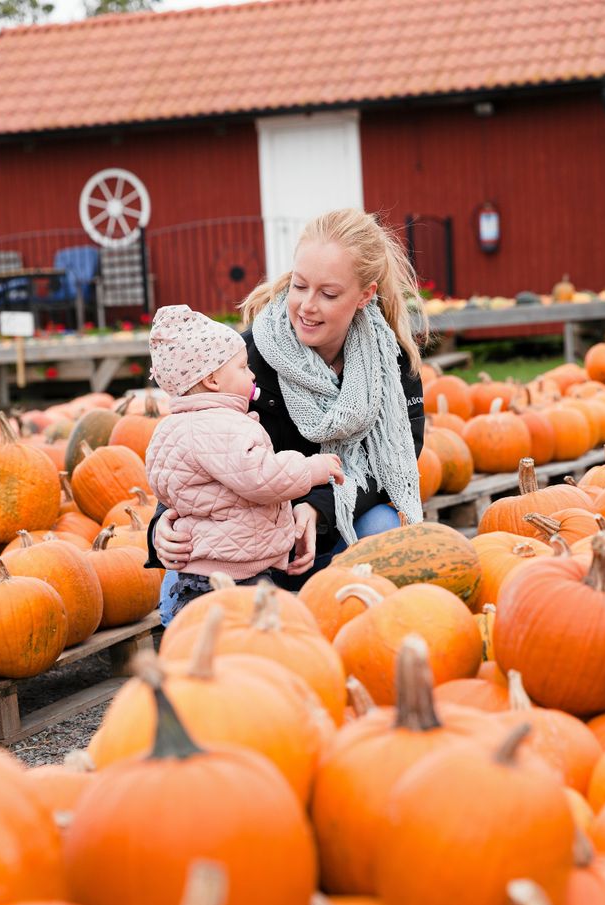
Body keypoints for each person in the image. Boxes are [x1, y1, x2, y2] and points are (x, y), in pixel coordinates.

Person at [147, 208, 427, 624]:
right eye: (299, 286)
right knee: (187, 602)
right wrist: (160, 527)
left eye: (328, 294)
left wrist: (319, 508)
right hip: (239, 547)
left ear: (364, 296)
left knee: (383, 526)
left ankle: (358, 628)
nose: (307, 306)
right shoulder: (241, 364)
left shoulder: (390, 363)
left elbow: (392, 465)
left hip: (332, 533)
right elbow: (191, 447)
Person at [145, 304, 344, 619]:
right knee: (252, 631)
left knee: (208, 630)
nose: (251, 374)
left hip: (202, 564)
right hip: (232, 570)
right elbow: (262, 477)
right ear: (212, 380)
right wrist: (312, 469)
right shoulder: (220, 426)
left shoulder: (173, 426)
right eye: (242, 367)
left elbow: (173, 490)